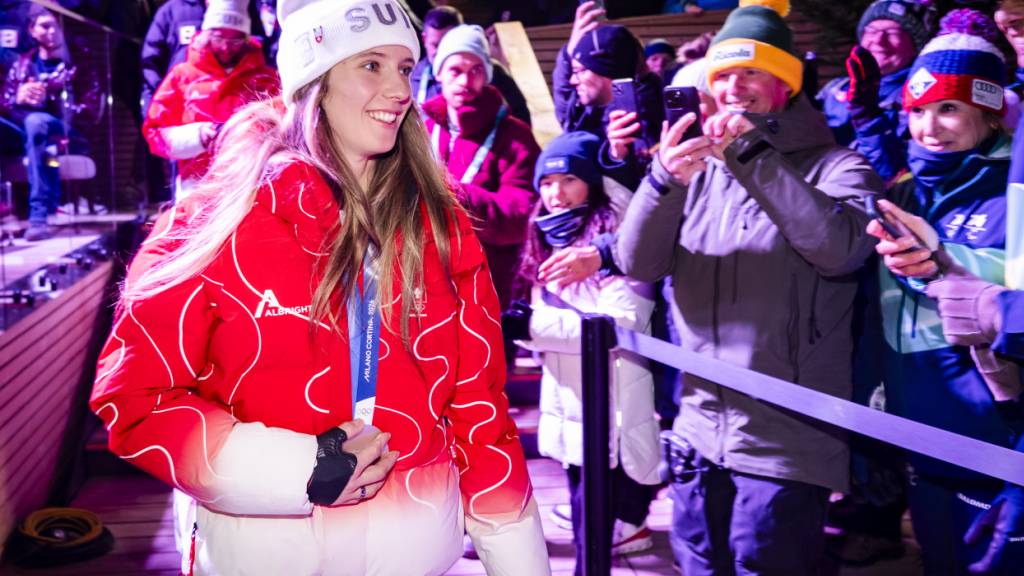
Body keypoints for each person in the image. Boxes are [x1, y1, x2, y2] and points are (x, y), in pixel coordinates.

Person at [89, 0, 550, 574]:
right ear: (315, 79)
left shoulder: (440, 226)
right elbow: (135, 399)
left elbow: (478, 409)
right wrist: (299, 469)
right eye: (372, 65)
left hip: (412, 554)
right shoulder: (212, 225)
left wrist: (519, 559)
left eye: (406, 68)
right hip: (262, 556)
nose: (400, 90)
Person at [614, 0, 882, 572]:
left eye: (753, 72)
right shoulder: (698, 170)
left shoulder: (838, 166)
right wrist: (663, 178)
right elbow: (637, 260)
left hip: (787, 441)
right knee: (699, 566)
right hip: (696, 429)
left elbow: (839, 252)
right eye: (725, 75)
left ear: (786, 83)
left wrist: (752, 155)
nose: (736, 87)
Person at [864, 10, 1024, 574]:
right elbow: (884, 317)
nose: (930, 128)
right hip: (921, 441)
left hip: (995, 451)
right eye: (919, 110)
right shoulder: (905, 194)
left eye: (950, 108)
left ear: (989, 112)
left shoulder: (1014, 196)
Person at [506, 131, 661, 566]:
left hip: (612, 396)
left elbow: (621, 323)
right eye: (548, 183)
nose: (556, 194)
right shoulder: (546, 237)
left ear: (591, 183)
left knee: (600, 504)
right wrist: (527, 326)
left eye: (570, 180)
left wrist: (531, 326)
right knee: (583, 505)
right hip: (568, 396)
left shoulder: (620, 238)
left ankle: (628, 527)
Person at [421, 24, 540, 311]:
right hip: (426, 283)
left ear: (487, 75)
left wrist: (454, 194)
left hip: (487, 286)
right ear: (439, 73)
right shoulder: (418, 130)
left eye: (476, 70)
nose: (465, 79)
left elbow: (522, 217)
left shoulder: (515, 136)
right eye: (456, 70)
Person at [143, 0, 279, 201]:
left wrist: (250, 134)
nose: (226, 47)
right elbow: (155, 133)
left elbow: (287, 129)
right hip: (196, 190)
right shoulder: (182, 77)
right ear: (207, 34)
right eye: (218, 37)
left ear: (247, 39)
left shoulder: (266, 79)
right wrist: (197, 137)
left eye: (235, 40)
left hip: (252, 186)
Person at [818, 0, 935, 184]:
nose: (879, 40)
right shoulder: (835, 89)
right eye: (871, 31)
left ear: (915, 44)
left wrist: (868, 118)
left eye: (893, 32)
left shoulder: (922, 95)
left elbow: (896, 174)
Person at [0, 5, 80, 241]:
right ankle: (6, 210)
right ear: (32, 31)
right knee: (29, 125)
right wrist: (17, 97)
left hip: (65, 131)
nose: (51, 31)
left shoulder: (75, 61)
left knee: (37, 122)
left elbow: (90, 109)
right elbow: (6, 101)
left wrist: (51, 97)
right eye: (44, 26)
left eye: (55, 26)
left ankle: (38, 216)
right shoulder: (22, 63)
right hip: (25, 129)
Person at [553, 2, 663, 151]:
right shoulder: (593, 111)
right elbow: (568, 119)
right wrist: (569, 54)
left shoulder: (637, 121)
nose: (572, 81)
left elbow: (635, 169)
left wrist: (617, 159)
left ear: (607, 70)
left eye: (580, 71)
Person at [410, 6, 531, 125]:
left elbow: (520, 117)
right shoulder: (413, 74)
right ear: (424, 39)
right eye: (435, 45)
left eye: (447, 43)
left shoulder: (494, 74)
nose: (442, 52)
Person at [139, 0, 206, 117]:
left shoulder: (228, 8)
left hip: (215, 103)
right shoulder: (169, 11)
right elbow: (151, 60)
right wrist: (163, 95)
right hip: (178, 103)